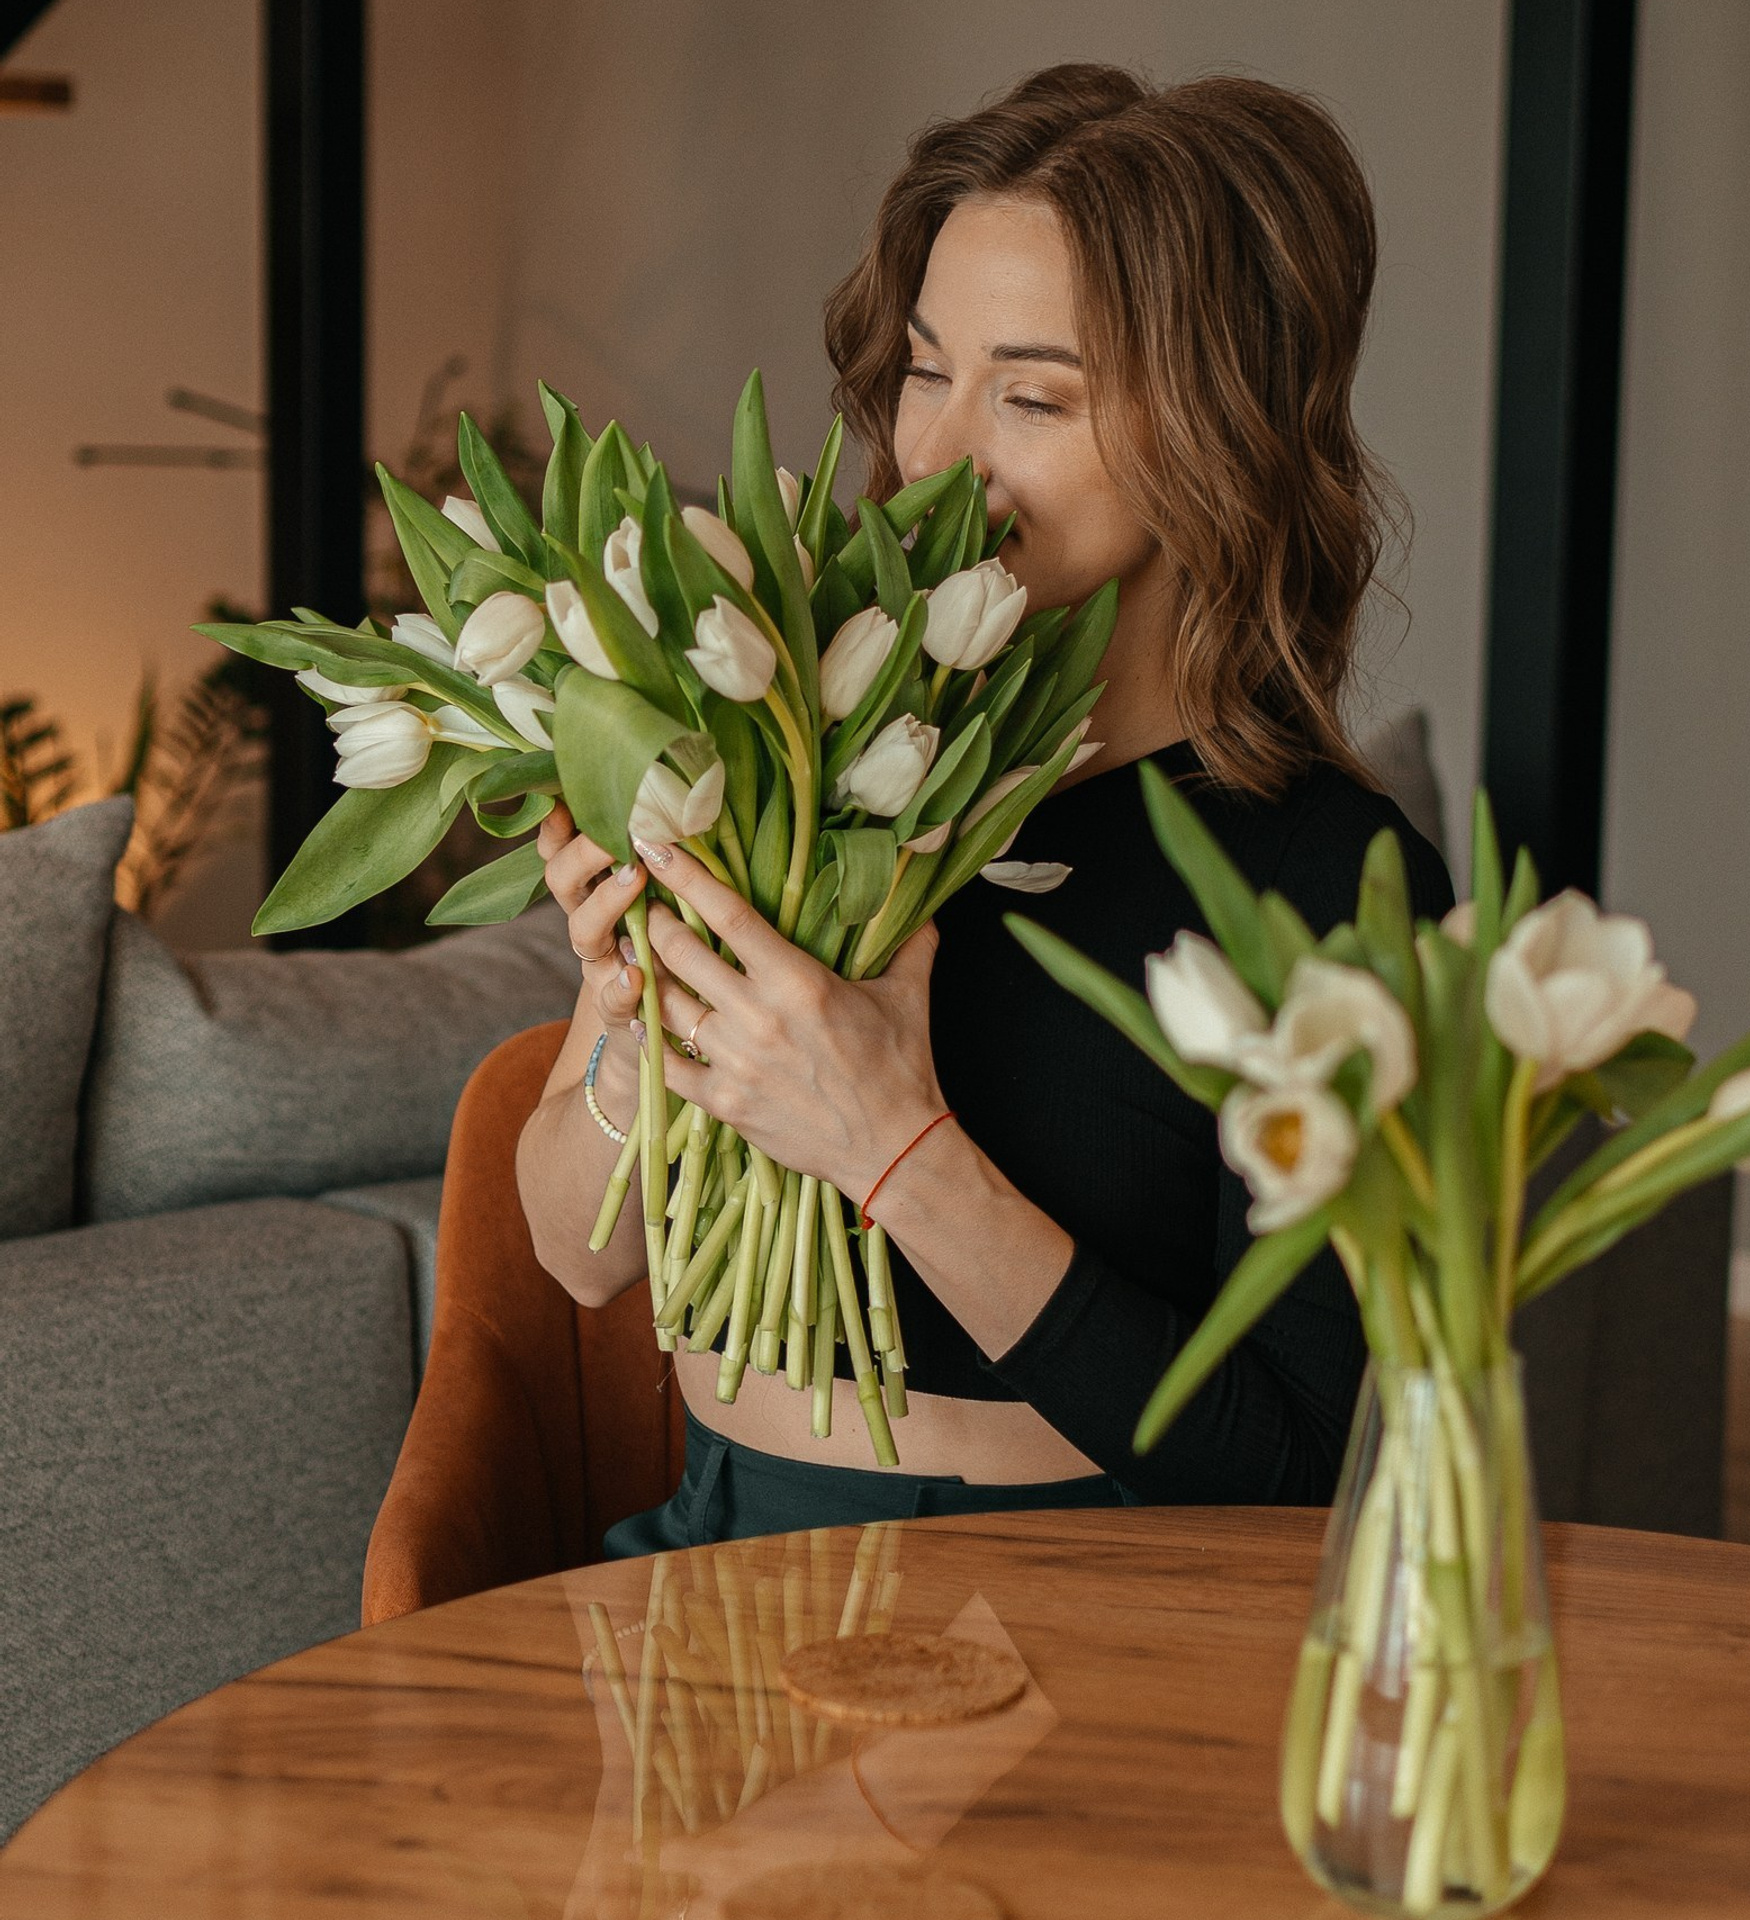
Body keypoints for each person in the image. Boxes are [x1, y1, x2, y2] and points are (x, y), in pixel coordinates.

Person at [517, 63, 1453, 1552]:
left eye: (1032, 396)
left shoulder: (1331, 883)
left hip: (1069, 1588)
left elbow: (1293, 1470)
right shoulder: (795, 753)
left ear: (1217, 429)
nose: (936, 455)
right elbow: (580, 1262)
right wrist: (641, 1030)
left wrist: (894, 1147)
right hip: (705, 1541)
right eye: (923, 370)